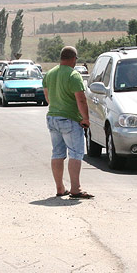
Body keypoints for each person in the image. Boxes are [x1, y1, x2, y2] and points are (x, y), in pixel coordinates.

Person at [42, 46, 93, 199]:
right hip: (69, 119)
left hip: (52, 117)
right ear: (73, 59)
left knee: (57, 153)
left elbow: (48, 97)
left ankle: (60, 188)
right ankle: (75, 189)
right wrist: (85, 118)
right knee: (76, 153)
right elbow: (81, 99)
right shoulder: (73, 75)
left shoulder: (50, 74)